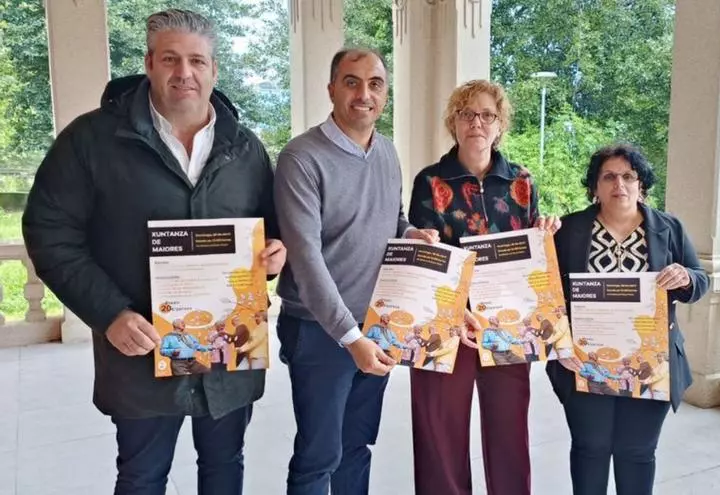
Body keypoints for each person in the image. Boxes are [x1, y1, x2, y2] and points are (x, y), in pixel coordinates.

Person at [21, 9, 287, 495]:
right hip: (140, 352)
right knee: (142, 477)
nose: (184, 73)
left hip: (227, 352)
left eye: (197, 61)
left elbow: (269, 228)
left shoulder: (245, 148)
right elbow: (50, 232)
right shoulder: (91, 141)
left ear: (214, 70)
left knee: (225, 467)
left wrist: (273, 255)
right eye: (170, 59)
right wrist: (110, 313)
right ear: (148, 63)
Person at [273, 47, 438, 495]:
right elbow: (305, 257)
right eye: (352, 82)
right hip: (320, 332)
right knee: (318, 457)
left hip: (375, 325)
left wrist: (411, 234)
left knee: (356, 447)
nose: (364, 94)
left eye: (375, 84)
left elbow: (393, 218)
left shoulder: (386, 151)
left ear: (385, 93)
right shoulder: (301, 158)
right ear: (331, 89)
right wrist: (351, 338)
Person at [407, 79, 560, 495]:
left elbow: (531, 251)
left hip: (506, 324)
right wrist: (453, 309)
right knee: (439, 435)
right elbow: (424, 258)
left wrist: (544, 231)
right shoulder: (429, 181)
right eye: (466, 114)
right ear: (453, 123)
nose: (477, 122)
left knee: (509, 432)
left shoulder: (522, 182)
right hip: (445, 323)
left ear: (500, 125)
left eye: (487, 115)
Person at [545, 143, 709, 495]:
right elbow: (547, 292)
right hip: (585, 361)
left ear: (641, 184)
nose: (619, 184)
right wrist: (559, 344)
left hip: (649, 362)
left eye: (628, 176)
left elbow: (700, 280)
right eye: (608, 177)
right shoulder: (570, 230)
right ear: (595, 186)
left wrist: (686, 277)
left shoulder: (669, 228)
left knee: (636, 452)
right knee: (590, 448)